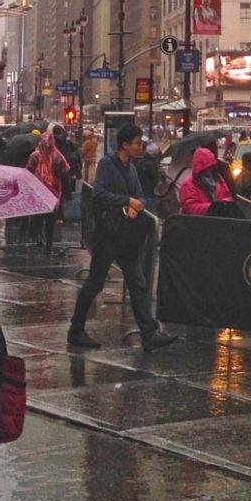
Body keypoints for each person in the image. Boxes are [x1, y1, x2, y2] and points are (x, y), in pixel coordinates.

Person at [68, 122, 177, 353]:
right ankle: (75, 330)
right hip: (108, 235)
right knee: (95, 283)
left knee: (137, 282)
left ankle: (148, 334)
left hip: (125, 234)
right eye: (137, 143)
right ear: (125, 145)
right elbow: (99, 193)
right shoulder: (108, 164)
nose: (140, 147)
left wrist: (135, 205)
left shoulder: (132, 168)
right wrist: (126, 201)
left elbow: (138, 195)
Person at [26, 127, 69, 254]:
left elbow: (28, 170)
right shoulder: (57, 155)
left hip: (38, 191)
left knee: (38, 217)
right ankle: (48, 241)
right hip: (53, 192)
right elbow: (65, 170)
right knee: (50, 219)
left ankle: (39, 238)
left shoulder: (35, 155)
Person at [179, 147, 243, 218]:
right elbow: (189, 207)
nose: (209, 169)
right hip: (199, 223)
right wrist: (211, 207)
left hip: (219, 220)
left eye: (211, 166)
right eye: (207, 167)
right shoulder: (189, 184)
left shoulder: (217, 179)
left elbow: (226, 195)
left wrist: (226, 204)